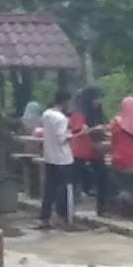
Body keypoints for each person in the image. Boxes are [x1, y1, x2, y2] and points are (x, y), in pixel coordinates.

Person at [37, 89, 78, 229]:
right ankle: (66, 218)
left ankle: (45, 217)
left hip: (50, 157)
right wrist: (76, 134)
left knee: (49, 189)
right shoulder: (61, 119)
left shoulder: (46, 114)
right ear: (66, 102)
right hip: (63, 159)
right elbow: (61, 139)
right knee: (66, 189)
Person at [69, 86, 108, 213]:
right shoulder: (79, 112)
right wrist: (94, 129)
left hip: (96, 149)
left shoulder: (98, 113)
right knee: (74, 179)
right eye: (97, 98)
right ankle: (68, 209)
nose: (99, 101)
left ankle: (102, 207)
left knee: (102, 177)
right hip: (81, 149)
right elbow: (78, 130)